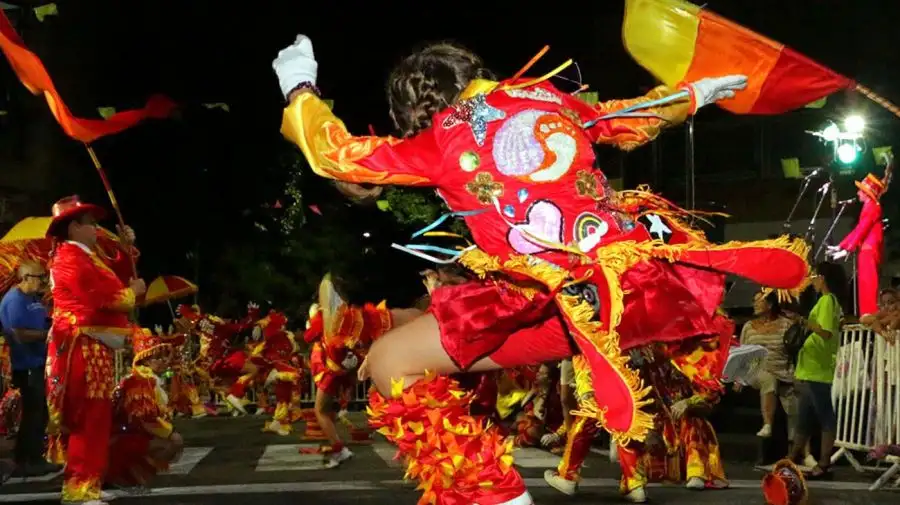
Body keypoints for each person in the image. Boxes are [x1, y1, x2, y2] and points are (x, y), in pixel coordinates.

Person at [274, 36, 811, 504]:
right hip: (625, 285)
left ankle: (497, 494)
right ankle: (702, 344)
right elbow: (628, 119)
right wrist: (697, 92)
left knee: (390, 362)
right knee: (410, 349)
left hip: (539, 301)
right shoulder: (547, 98)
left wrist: (300, 86)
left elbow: (334, 153)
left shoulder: (440, 138)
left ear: (417, 104)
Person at [43, 196, 146, 505]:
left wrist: (127, 248)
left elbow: (117, 271)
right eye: (92, 225)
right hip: (79, 346)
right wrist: (132, 294)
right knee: (88, 417)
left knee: (97, 417)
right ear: (75, 228)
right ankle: (78, 489)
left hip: (93, 346)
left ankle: (89, 485)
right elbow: (101, 296)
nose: (97, 230)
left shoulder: (85, 255)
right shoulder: (69, 259)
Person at [0, 260, 59, 477]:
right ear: (25, 278)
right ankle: (29, 461)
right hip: (26, 365)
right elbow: (19, 334)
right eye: (39, 277)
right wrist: (49, 335)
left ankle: (30, 458)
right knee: (34, 413)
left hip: (39, 363)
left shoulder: (33, 299)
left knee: (39, 412)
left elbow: (42, 322)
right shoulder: (15, 300)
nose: (43, 281)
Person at [788, 261, 846, 479]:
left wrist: (807, 324)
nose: (812, 279)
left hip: (819, 368)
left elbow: (827, 333)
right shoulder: (826, 301)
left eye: (814, 276)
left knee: (824, 415)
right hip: (811, 367)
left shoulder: (828, 301)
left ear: (823, 278)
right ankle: (791, 458)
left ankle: (823, 463)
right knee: (804, 416)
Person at [106, 328, 184, 491]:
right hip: (121, 438)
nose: (164, 360)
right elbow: (144, 418)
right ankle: (123, 472)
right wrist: (170, 433)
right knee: (173, 442)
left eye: (164, 356)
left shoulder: (147, 379)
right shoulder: (140, 382)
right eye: (158, 357)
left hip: (130, 433)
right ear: (146, 361)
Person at [827, 157, 891, 316]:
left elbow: (862, 229)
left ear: (867, 193)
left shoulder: (873, 207)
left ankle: (870, 316)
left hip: (869, 249)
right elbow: (858, 230)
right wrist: (842, 246)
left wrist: (847, 249)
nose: (858, 193)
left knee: (869, 284)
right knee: (865, 284)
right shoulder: (870, 206)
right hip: (866, 249)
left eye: (861, 190)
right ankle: (867, 315)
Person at [736, 291, 797, 440]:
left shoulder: (786, 324)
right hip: (756, 371)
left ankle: (800, 451)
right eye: (754, 300)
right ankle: (767, 424)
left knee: (796, 404)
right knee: (768, 379)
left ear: (769, 304)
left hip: (782, 371)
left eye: (759, 300)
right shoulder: (749, 327)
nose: (755, 304)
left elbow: (793, 351)